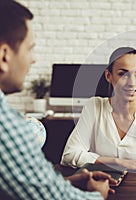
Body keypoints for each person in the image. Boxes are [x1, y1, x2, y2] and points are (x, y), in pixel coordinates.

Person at [0, 1, 117, 199]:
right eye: (29, 49)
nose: (33, 59)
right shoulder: (6, 125)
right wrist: (98, 195)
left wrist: (62, 182)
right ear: (4, 56)